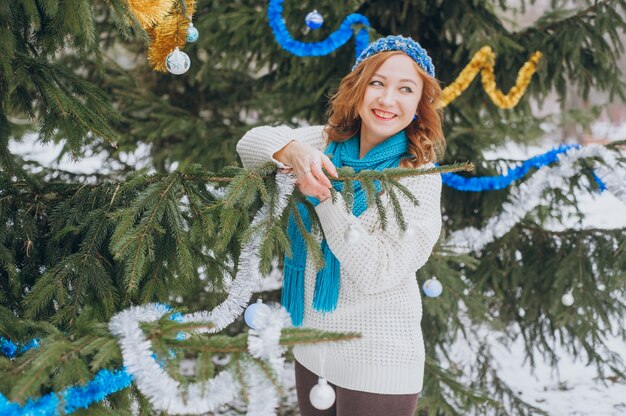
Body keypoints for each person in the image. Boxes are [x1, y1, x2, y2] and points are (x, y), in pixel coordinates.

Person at [236, 35, 445, 416]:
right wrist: (291, 150)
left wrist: (326, 202)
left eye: (405, 89)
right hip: (312, 349)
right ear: (359, 88)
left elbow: (378, 271)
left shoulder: (420, 177)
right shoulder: (324, 142)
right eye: (377, 83)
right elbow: (249, 144)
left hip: (379, 361)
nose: (386, 99)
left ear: (419, 105)